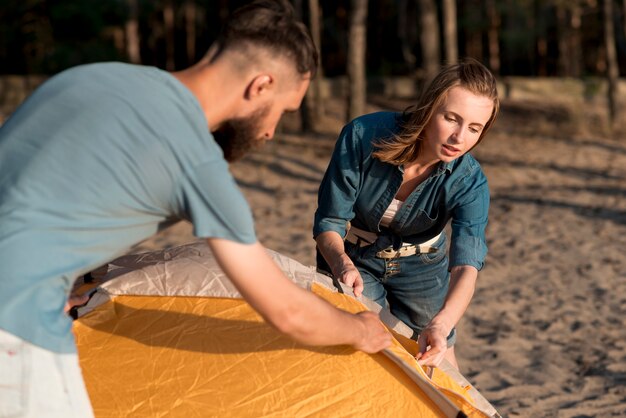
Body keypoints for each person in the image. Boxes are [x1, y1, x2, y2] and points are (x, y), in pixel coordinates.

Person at [0, 1, 391, 416]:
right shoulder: (195, 161)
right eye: (281, 111)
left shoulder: (89, 78)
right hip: (16, 326)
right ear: (260, 86)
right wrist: (360, 330)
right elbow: (288, 310)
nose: (272, 130)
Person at [314, 58, 499, 370]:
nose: (459, 138)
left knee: (438, 359)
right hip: (354, 259)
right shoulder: (362, 136)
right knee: (353, 351)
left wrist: (442, 325)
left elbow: (467, 266)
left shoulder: (470, 181)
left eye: (474, 128)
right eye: (452, 118)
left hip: (424, 267)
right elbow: (329, 223)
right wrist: (341, 264)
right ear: (429, 108)